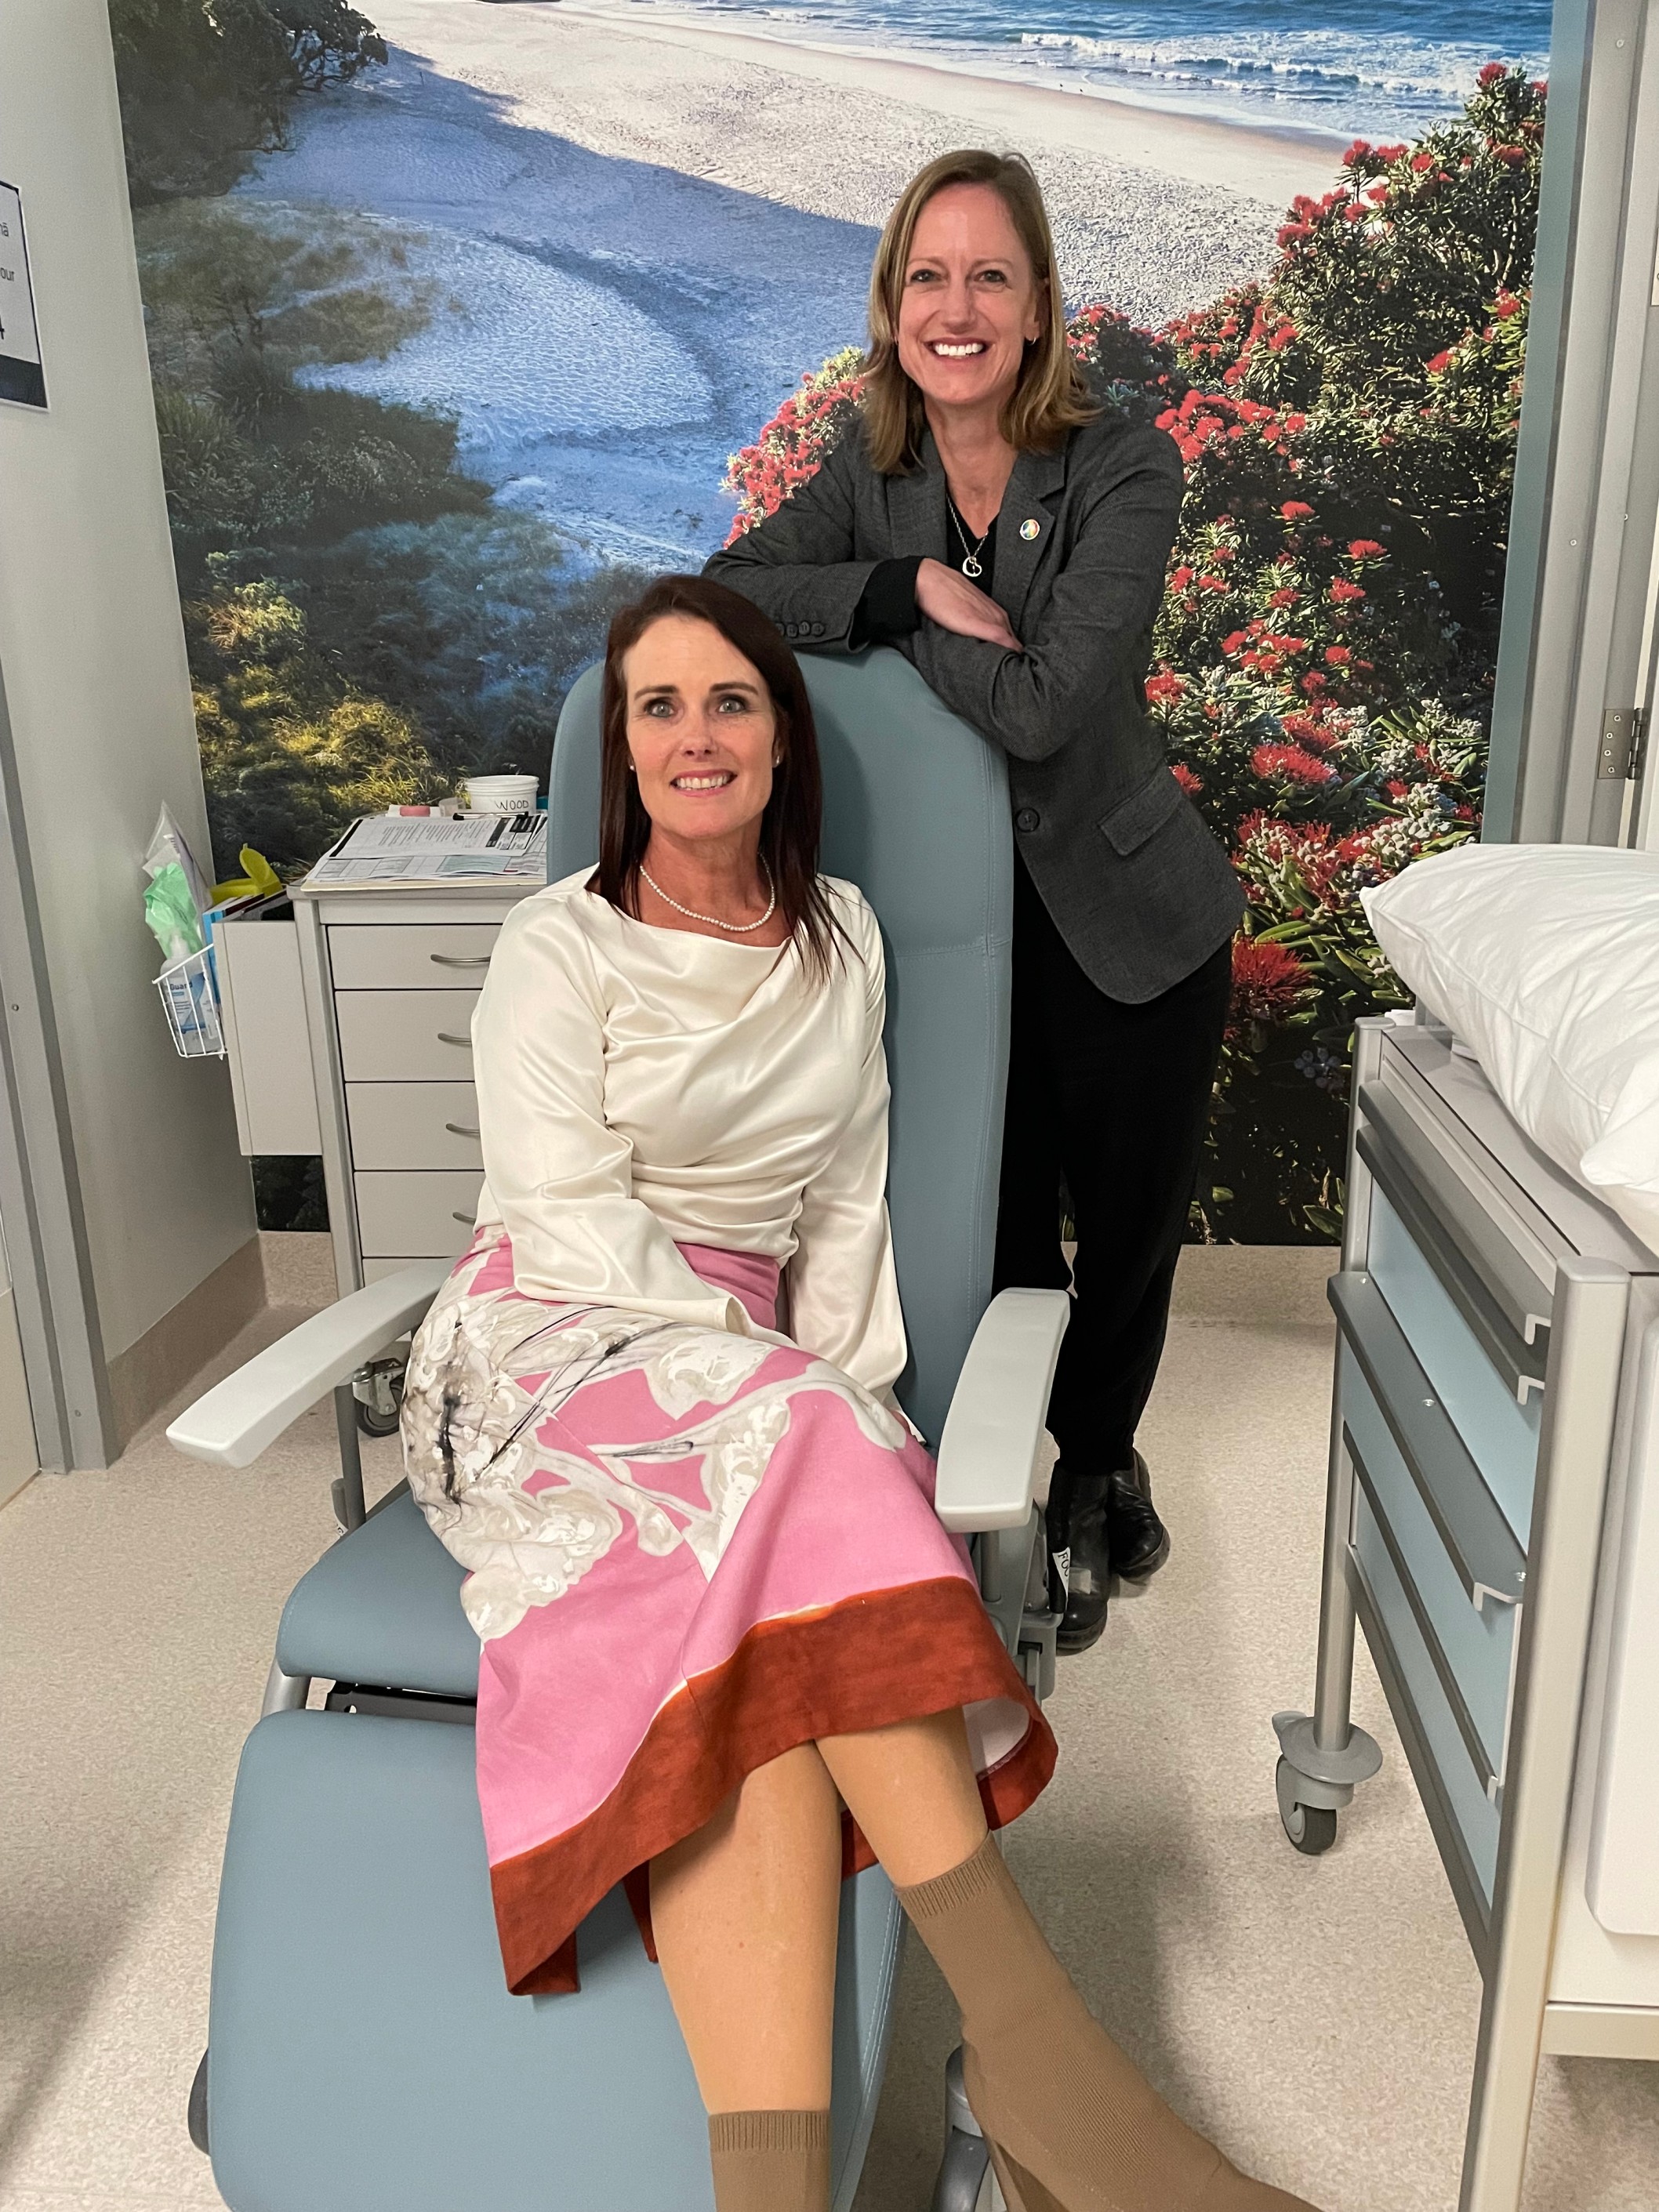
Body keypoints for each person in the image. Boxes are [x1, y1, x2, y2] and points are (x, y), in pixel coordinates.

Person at [400, 575, 1318, 2212]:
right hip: (547, 1338)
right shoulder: (562, 941)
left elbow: (840, 1210)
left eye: (729, 702)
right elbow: (562, 1211)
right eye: (660, 707)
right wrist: (778, 1393)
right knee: (798, 1449)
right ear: (625, 749)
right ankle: (1047, 2064)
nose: (696, 736)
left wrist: (841, 1396)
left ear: (779, 737)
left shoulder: (843, 936)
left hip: (754, 1371)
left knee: (768, 1681)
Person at [706, 150, 1243, 1655]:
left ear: (1038, 306)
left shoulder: (1125, 467)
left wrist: (903, 612)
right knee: (995, 1225)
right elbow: (725, 589)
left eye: (990, 276)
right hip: (960, 939)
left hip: (1129, 923)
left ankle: (1100, 1461)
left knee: (1128, 1235)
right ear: (894, 306)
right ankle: (1007, 1465)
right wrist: (903, 589)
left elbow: (1047, 704)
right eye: (929, 277)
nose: (958, 307)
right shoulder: (868, 475)